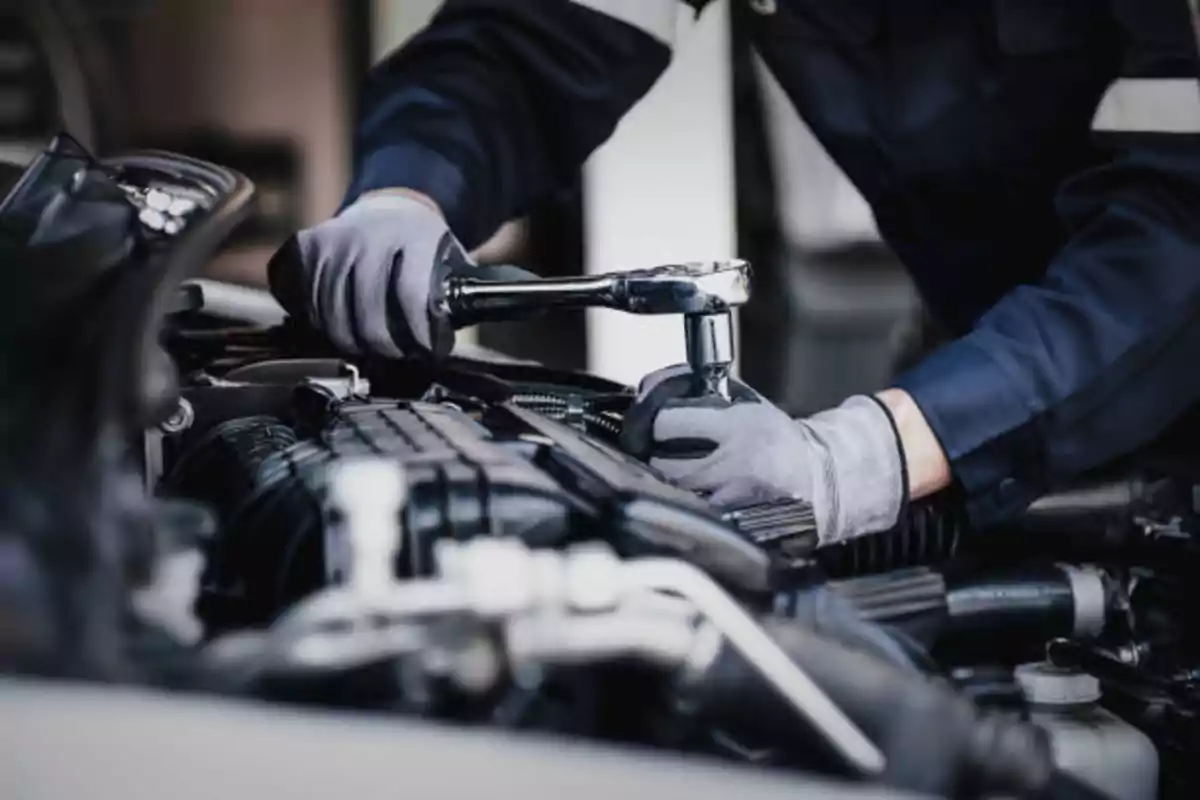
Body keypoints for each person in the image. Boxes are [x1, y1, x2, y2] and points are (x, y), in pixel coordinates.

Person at [269, 0, 1200, 548]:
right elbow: (526, 48)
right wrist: (407, 194)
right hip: (991, 365)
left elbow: (1183, 228)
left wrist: (879, 454)